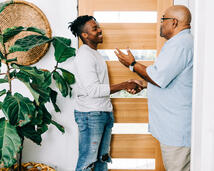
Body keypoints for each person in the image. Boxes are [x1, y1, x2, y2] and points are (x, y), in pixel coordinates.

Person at [114, 5, 193, 171]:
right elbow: (167, 78)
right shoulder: (179, 43)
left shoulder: (180, 45)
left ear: (174, 22)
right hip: (172, 128)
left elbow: (158, 77)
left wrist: (132, 64)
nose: (160, 24)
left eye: (163, 19)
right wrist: (144, 84)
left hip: (176, 132)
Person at [69, 15, 142, 171]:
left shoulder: (94, 54)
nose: (100, 30)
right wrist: (124, 85)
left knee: (102, 161)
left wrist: (128, 83)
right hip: (91, 115)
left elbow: (99, 86)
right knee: (87, 163)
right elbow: (94, 90)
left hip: (102, 112)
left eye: (98, 26)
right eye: (95, 29)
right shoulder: (85, 56)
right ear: (84, 35)